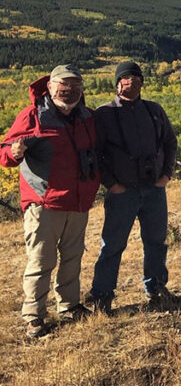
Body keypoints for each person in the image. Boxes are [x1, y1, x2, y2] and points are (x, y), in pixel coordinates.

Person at [0, 65, 100, 338]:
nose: (69, 91)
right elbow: (5, 155)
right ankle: (34, 316)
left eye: (75, 86)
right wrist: (14, 151)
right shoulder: (32, 116)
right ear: (50, 87)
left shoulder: (87, 117)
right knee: (41, 260)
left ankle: (69, 306)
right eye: (63, 86)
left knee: (73, 257)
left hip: (78, 202)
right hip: (44, 203)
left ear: (81, 90)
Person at [89, 62, 178, 314]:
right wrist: (111, 184)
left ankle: (157, 289)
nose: (131, 82)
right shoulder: (103, 114)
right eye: (125, 78)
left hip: (153, 190)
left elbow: (170, 142)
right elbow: (96, 153)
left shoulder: (153, 110)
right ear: (117, 84)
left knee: (156, 242)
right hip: (122, 192)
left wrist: (166, 175)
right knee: (113, 245)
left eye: (136, 77)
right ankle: (102, 297)